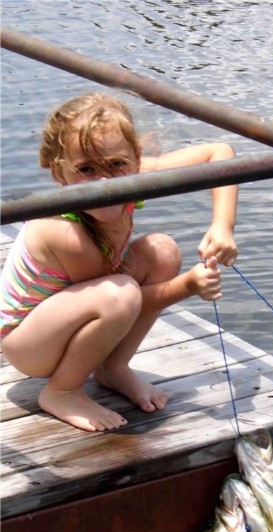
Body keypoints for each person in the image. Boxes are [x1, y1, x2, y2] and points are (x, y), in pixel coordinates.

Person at [0, 92, 238, 433]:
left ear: (136, 160)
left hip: (72, 311)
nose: (104, 183)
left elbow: (220, 153)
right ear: (59, 173)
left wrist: (222, 225)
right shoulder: (63, 232)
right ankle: (62, 391)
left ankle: (113, 368)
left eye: (116, 164)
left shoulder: (130, 176)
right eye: (85, 169)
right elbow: (126, 304)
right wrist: (188, 285)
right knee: (120, 295)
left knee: (163, 250)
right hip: (29, 344)